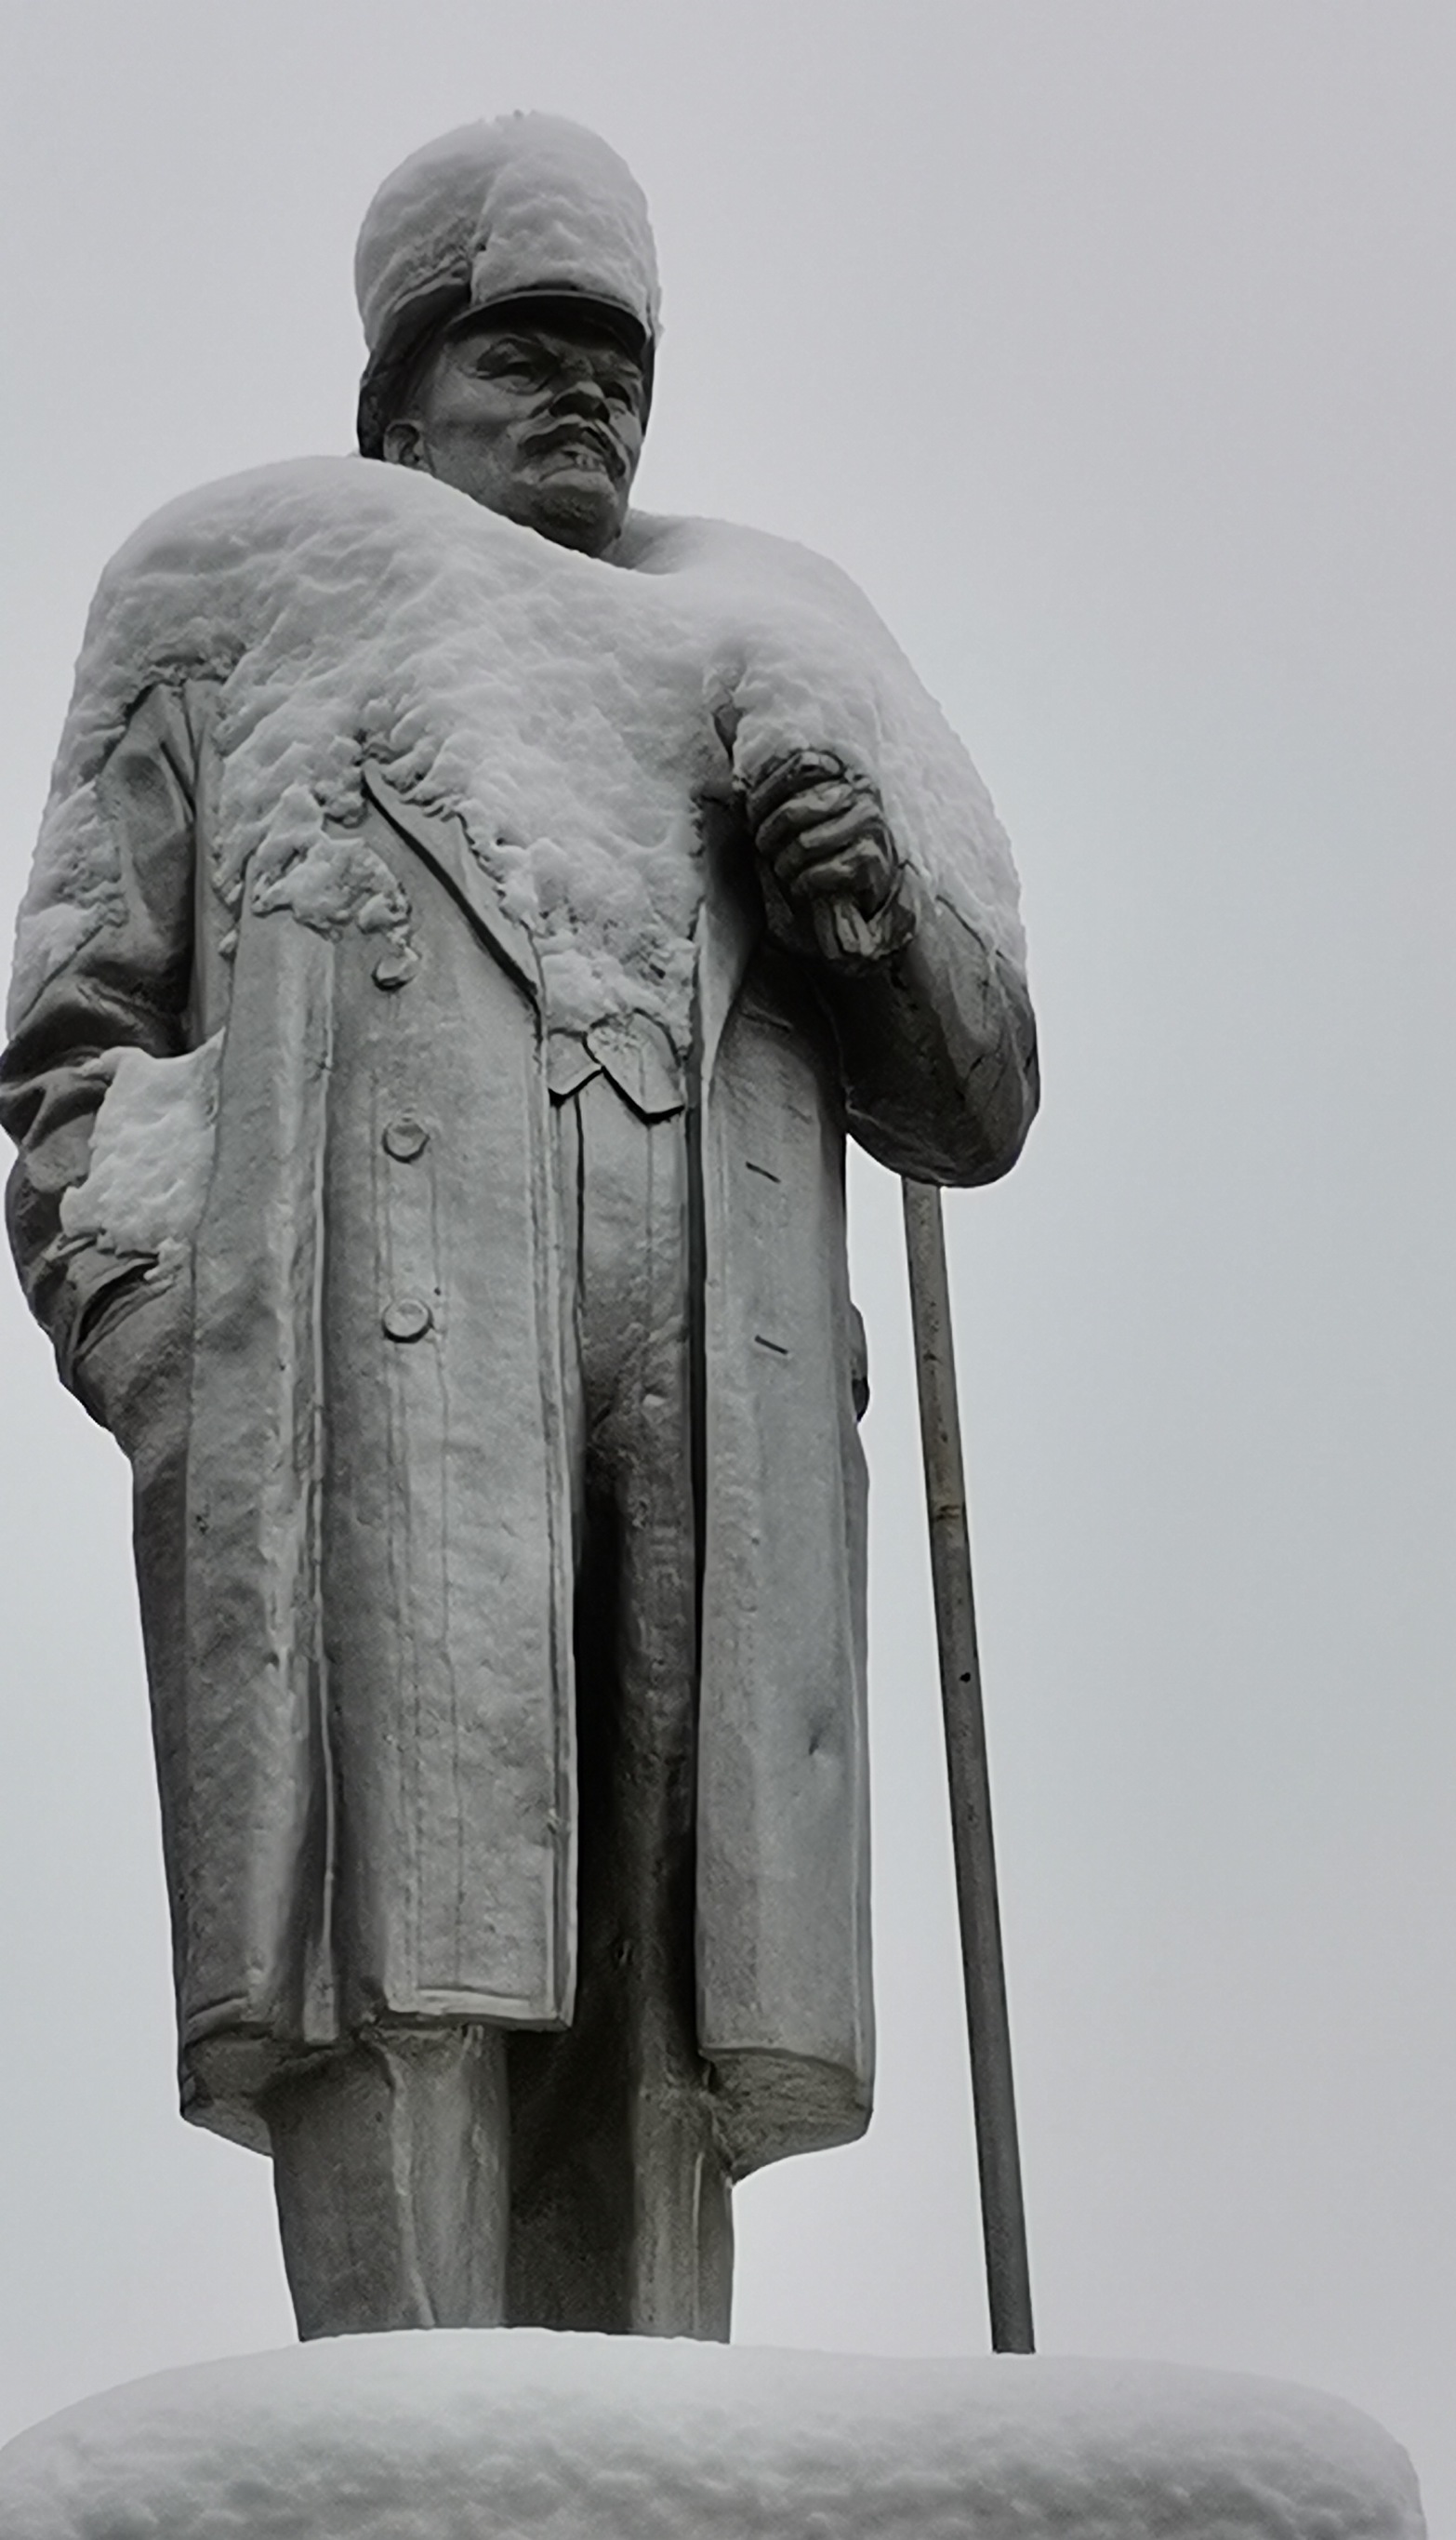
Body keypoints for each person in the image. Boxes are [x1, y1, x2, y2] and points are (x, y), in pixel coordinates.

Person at [0, 114, 1036, 2340]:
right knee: (406, 1946)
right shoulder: (234, 593)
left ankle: (638, 2438)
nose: (588, 396)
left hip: (711, 1412)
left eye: (619, 363)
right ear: (399, 388)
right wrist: (172, 1318)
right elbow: (70, 1038)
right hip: (373, 1379)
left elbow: (977, 1095)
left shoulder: (782, 640)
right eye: (526, 352)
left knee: (670, 1992)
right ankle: (409, 2440)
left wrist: (873, 912)